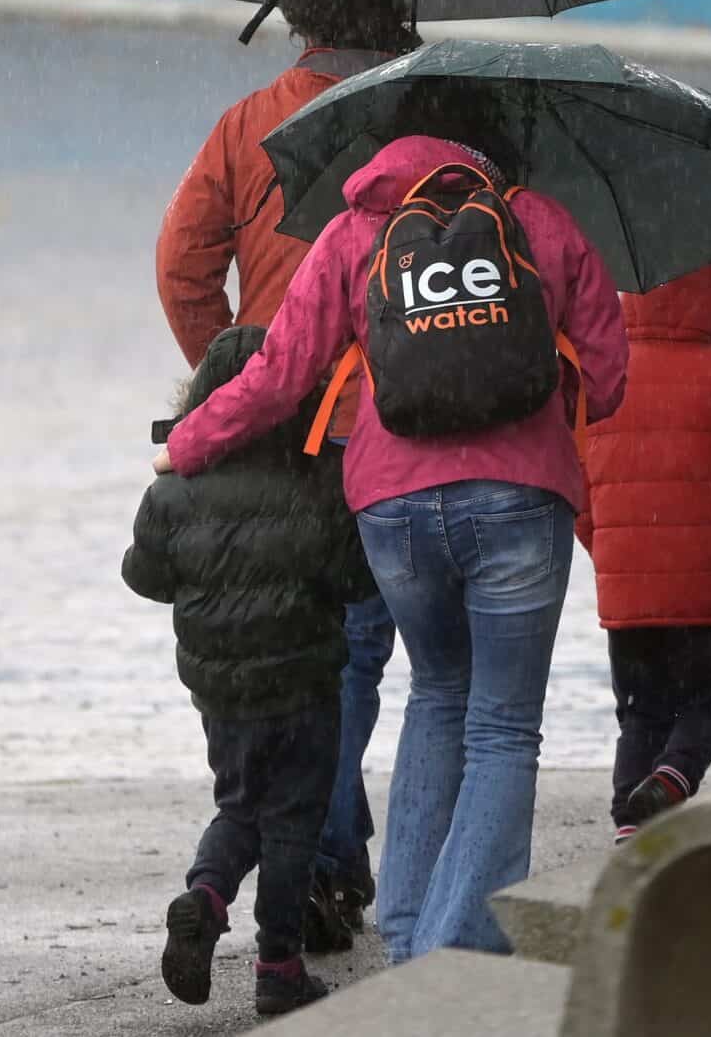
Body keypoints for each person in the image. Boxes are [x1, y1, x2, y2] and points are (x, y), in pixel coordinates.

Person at [153, 133, 628, 962]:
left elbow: (277, 373)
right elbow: (612, 376)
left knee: (438, 694)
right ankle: (458, 951)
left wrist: (187, 444)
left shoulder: (355, 230)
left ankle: (409, 940)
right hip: (520, 499)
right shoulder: (540, 222)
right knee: (505, 728)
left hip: (392, 507)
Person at [154, 0, 418, 945]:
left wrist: (234, 366)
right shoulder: (418, 134)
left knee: (291, 655)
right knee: (355, 657)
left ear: (298, 25)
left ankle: (313, 863)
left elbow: (182, 270)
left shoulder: (245, 125)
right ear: (391, 22)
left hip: (272, 428)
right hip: (393, 429)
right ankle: (323, 864)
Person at [122, 325, 376, 1016]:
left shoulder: (175, 488)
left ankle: (204, 894)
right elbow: (356, 579)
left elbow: (142, 576)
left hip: (221, 687)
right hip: (302, 682)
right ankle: (278, 964)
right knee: (294, 818)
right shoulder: (318, 477)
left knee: (240, 808)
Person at [573, 260, 711, 842]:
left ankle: (629, 821)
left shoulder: (600, 377)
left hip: (628, 583)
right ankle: (671, 781)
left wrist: (612, 557)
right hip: (706, 588)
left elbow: (579, 490)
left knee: (640, 711)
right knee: (708, 707)